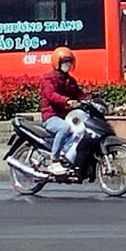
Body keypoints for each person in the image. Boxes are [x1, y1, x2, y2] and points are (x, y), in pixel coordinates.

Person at [40, 45, 86, 175]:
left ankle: (68, 156)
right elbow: (51, 95)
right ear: (57, 62)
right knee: (64, 128)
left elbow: (79, 93)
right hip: (51, 116)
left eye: (69, 62)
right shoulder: (48, 78)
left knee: (82, 128)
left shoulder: (70, 80)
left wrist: (92, 99)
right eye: (65, 61)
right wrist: (66, 101)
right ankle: (54, 161)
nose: (68, 64)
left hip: (66, 116)